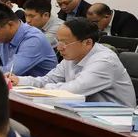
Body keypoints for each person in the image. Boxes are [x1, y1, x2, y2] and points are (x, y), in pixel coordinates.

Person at [8, 18, 136, 106]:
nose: (59, 48)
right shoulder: (72, 55)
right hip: (84, 112)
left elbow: (73, 90)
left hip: (118, 122)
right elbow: (49, 79)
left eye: (65, 42)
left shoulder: (104, 61)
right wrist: (19, 81)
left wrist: (37, 89)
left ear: (87, 42)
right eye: (58, 41)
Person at [0, 2, 57, 76]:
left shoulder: (34, 39)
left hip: (44, 84)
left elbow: (9, 72)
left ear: (10, 24)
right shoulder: (2, 38)